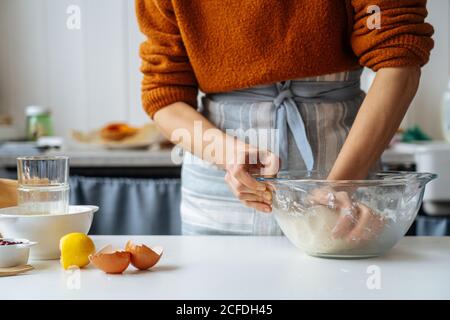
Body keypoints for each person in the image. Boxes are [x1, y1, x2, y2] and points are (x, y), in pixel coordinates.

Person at [135, 0, 434, 236]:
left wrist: (340, 186)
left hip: (345, 178)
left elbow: (399, 59)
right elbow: (165, 93)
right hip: (220, 193)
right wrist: (228, 154)